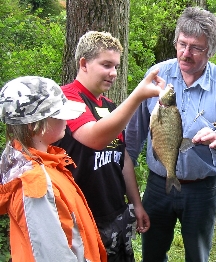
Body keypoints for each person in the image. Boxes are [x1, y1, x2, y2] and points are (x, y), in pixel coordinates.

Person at [125, 6, 216, 262]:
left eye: (196, 48)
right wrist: (130, 192)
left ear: (211, 51)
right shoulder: (157, 76)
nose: (186, 53)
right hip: (158, 184)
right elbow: (133, 136)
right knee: (152, 252)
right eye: (182, 44)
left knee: (197, 254)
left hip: (202, 190)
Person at [55, 31, 165, 262]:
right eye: (106, 65)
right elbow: (94, 138)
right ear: (84, 64)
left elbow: (122, 158)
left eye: (116, 66)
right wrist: (138, 97)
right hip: (80, 215)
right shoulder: (67, 98)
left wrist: (136, 204)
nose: (113, 73)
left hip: (115, 211)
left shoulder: (110, 107)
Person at [0, 76, 107, 262]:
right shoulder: (35, 183)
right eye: (59, 114)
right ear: (35, 125)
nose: (67, 119)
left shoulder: (43, 160)